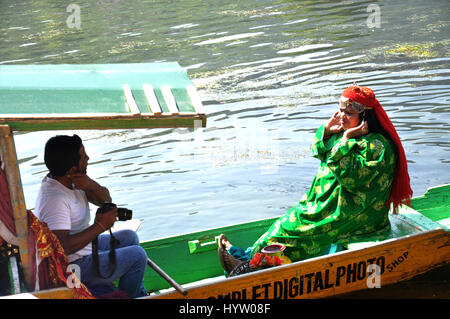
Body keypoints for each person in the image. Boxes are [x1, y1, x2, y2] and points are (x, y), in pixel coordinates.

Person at [219, 84, 413, 274]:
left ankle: (248, 265)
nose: (341, 117)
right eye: (340, 111)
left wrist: (346, 139)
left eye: (349, 114)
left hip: (353, 214)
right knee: (287, 223)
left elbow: (352, 179)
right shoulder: (347, 134)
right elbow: (320, 152)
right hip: (327, 204)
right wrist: (328, 131)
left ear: (365, 117)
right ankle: (246, 258)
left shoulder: (377, 146)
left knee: (290, 229)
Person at [34, 134, 147, 298]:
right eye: (83, 156)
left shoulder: (72, 181)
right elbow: (61, 248)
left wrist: (91, 185)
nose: (88, 158)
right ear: (72, 169)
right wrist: (99, 226)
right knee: (137, 256)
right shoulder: (54, 199)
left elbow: (106, 200)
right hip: (73, 267)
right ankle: (133, 296)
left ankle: (133, 290)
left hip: (83, 250)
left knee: (129, 237)